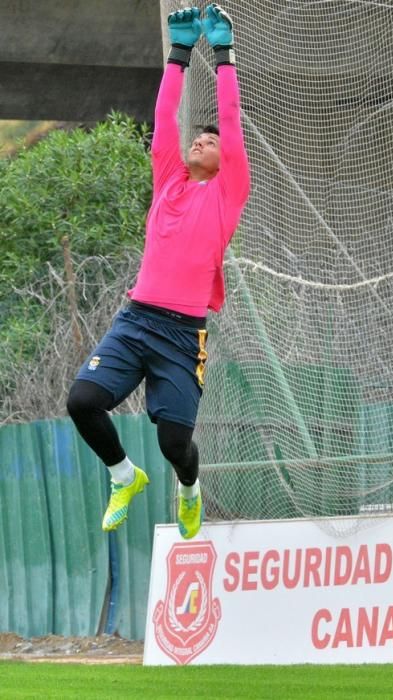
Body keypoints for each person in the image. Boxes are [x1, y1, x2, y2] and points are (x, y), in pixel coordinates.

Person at [66, 4, 250, 540]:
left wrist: (221, 55)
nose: (201, 140)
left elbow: (233, 124)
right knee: (82, 402)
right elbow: (167, 114)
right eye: (199, 136)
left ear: (226, 160)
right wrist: (176, 55)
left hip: (180, 335)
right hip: (136, 320)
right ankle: (124, 475)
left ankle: (189, 489)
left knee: (175, 443)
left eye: (210, 142)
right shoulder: (169, 177)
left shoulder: (227, 193)